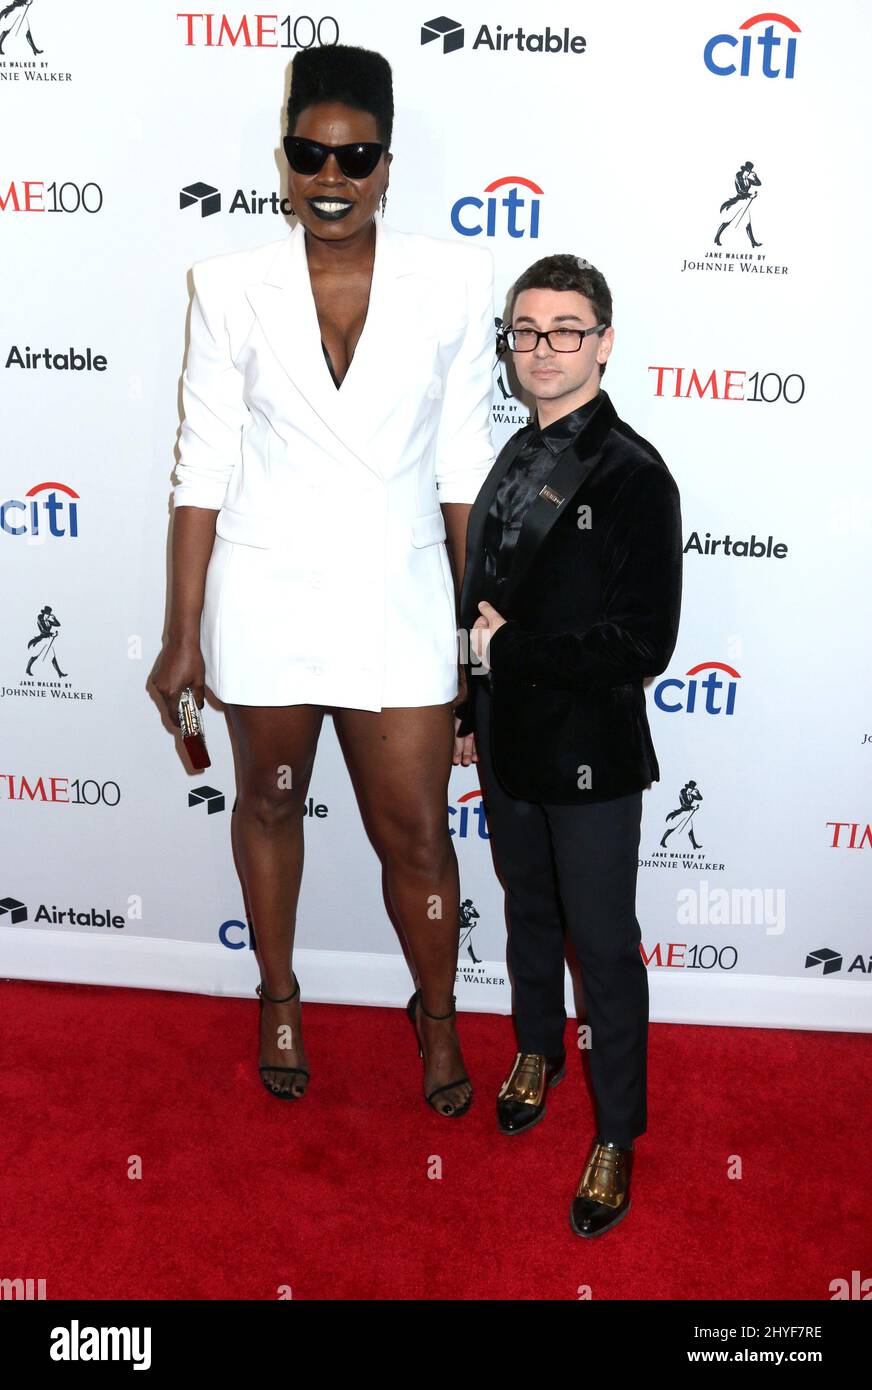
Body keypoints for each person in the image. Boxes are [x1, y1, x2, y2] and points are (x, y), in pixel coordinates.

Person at [152, 45, 495, 1117]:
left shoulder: (452, 280)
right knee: (266, 800)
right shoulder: (225, 284)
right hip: (265, 595)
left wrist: (472, 632)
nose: (332, 176)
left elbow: (460, 471)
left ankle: (434, 1012)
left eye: (355, 156)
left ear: (387, 166)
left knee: (417, 833)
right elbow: (200, 464)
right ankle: (279, 995)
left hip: (398, 600)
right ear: (283, 161)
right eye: (311, 153)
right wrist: (181, 632)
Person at [453, 254, 682, 1234]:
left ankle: (615, 1134)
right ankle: (537, 1047)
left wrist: (514, 653)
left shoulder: (632, 475)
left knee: (603, 946)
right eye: (525, 330)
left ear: (604, 342)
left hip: (589, 752)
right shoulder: (511, 455)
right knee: (526, 913)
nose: (541, 349)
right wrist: (470, 708)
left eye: (565, 330)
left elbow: (643, 641)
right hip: (507, 741)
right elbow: (479, 599)